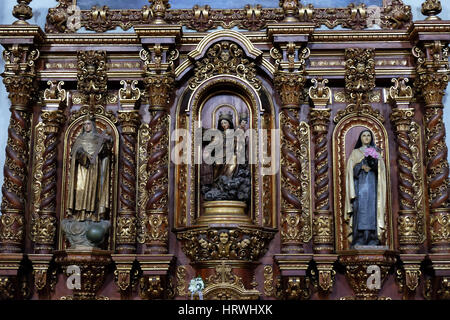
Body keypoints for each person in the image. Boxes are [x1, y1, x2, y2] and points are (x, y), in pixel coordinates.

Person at [344, 129, 386, 247]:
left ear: (371, 138)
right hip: (360, 189)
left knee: (372, 212)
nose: (366, 137)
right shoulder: (355, 153)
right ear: (361, 138)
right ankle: (359, 238)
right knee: (359, 212)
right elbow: (350, 171)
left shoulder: (375, 153)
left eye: (368, 135)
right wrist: (361, 166)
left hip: (372, 189)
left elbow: (381, 171)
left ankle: (372, 238)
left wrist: (373, 165)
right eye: (364, 135)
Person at [66, 117, 112, 222]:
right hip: (82, 169)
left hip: (94, 168)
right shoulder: (79, 139)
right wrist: (83, 154)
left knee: (93, 190)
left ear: (93, 125)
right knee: (80, 190)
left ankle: (92, 214)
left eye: (89, 124)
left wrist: (107, 141)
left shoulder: (97, 138)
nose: (87, 126)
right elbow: (74, 152)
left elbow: (105, 152)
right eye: (85, 124)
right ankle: (79, 214)